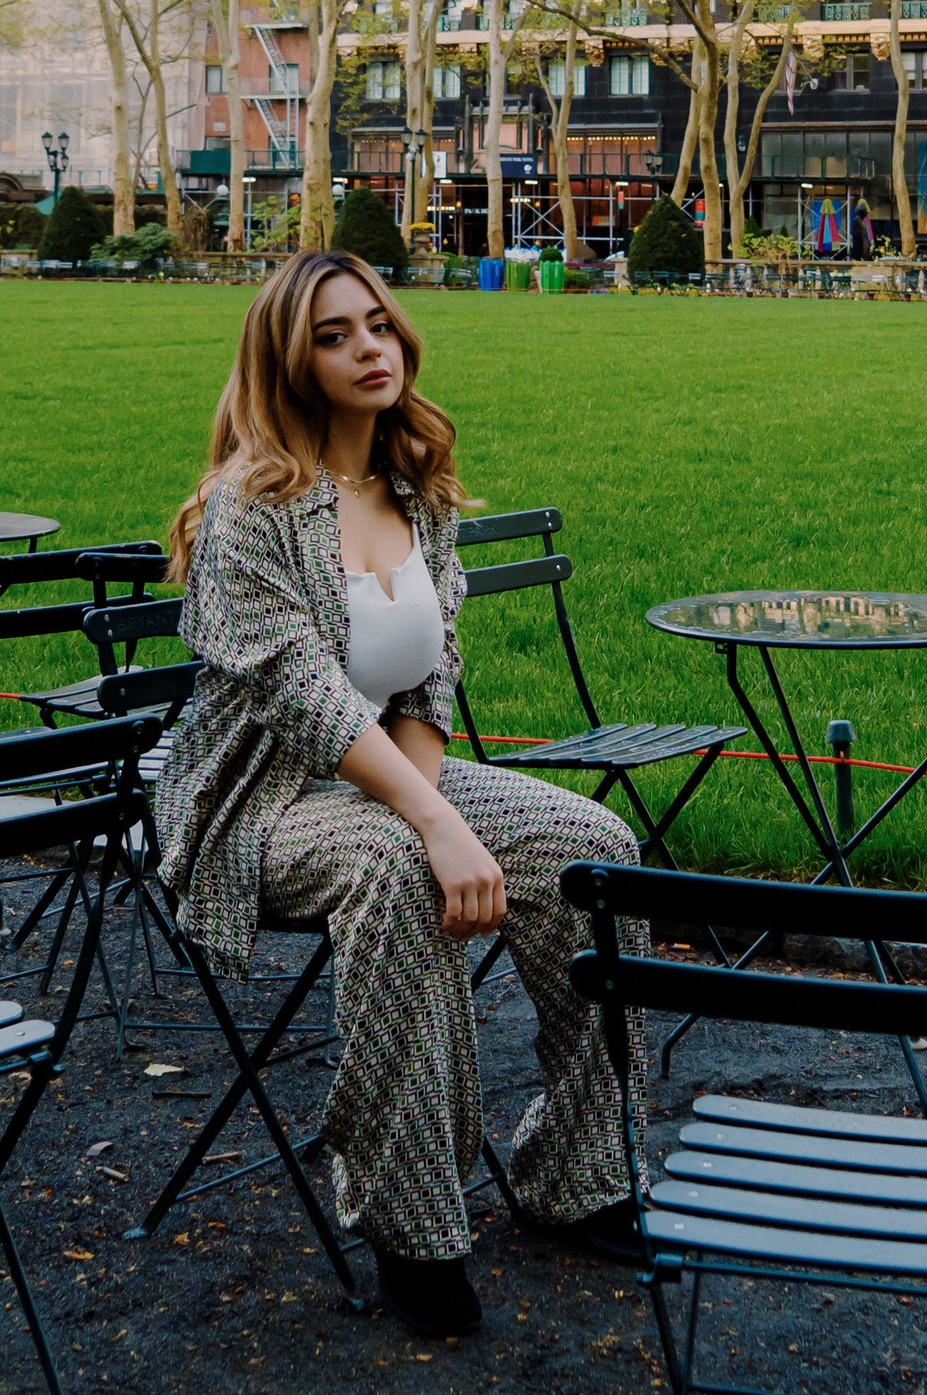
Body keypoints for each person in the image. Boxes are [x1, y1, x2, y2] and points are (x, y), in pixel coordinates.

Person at [153, 248, 642, 1338]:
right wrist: (428, 825)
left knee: (589, 844)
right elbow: (307, 699)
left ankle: (579, 1167)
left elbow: (432, 673)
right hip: (255, 799)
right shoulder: (251, 509)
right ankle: (413, 1224)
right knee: (393, 865)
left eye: (374, 323)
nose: (366, 348)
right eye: (332, 336)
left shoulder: (418, 485)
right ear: (289, 361)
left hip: (387, 768)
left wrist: (431, 803)